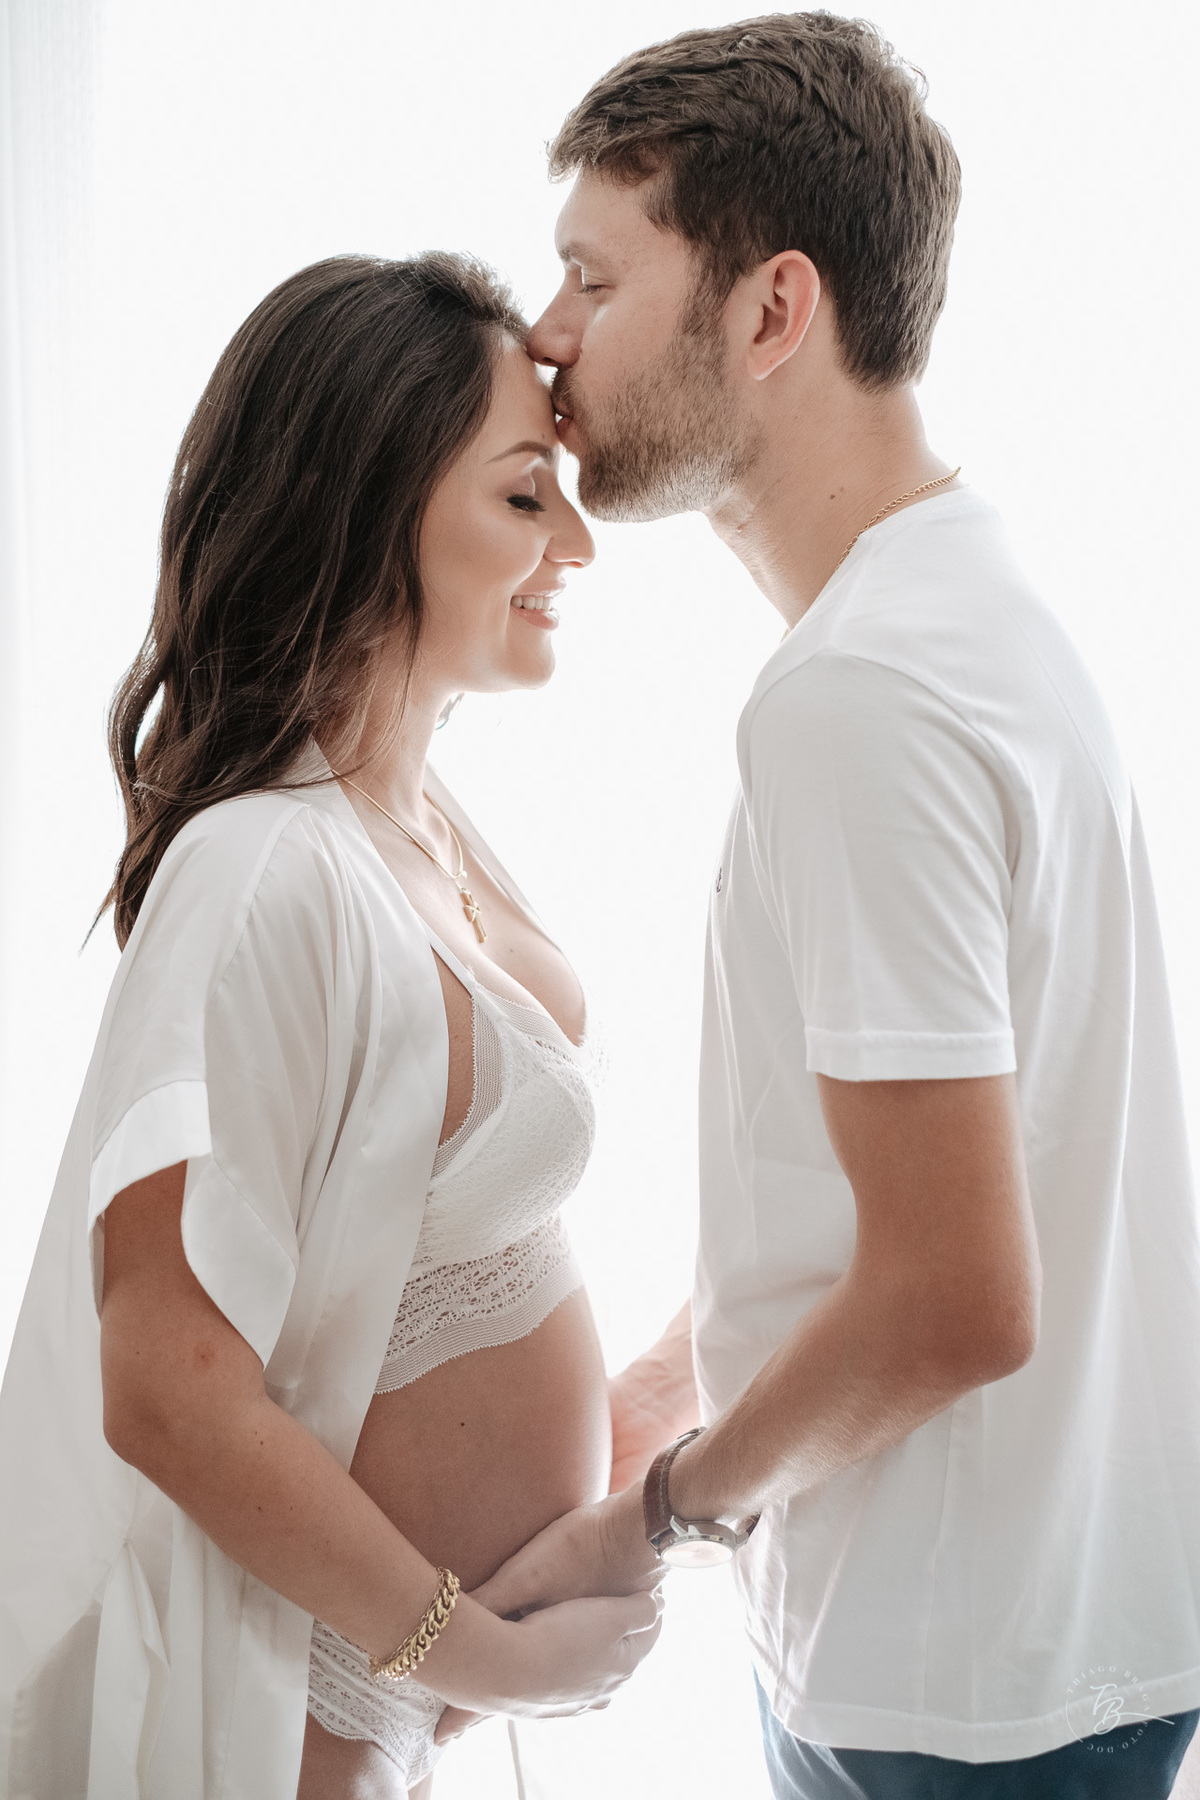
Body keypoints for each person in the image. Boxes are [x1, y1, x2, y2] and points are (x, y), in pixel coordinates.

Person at [471, 15, 1200, 1797]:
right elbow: (920, 1179)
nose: (543, 339)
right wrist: (661, 1389)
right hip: (1050, 1639)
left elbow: (953, 1296)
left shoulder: (860, 694)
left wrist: (651, 1519)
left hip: (950, 1694)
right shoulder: (969, 603)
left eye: (590, 274)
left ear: (771, 311)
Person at [0, 251, 663, 1800]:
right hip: (292, 1709)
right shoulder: (260, 866)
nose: (577, 543)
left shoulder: (422, 819)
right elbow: (167, 1390)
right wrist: (494, 1662)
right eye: (523, 498)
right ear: (369, 507)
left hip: (390, 1715)